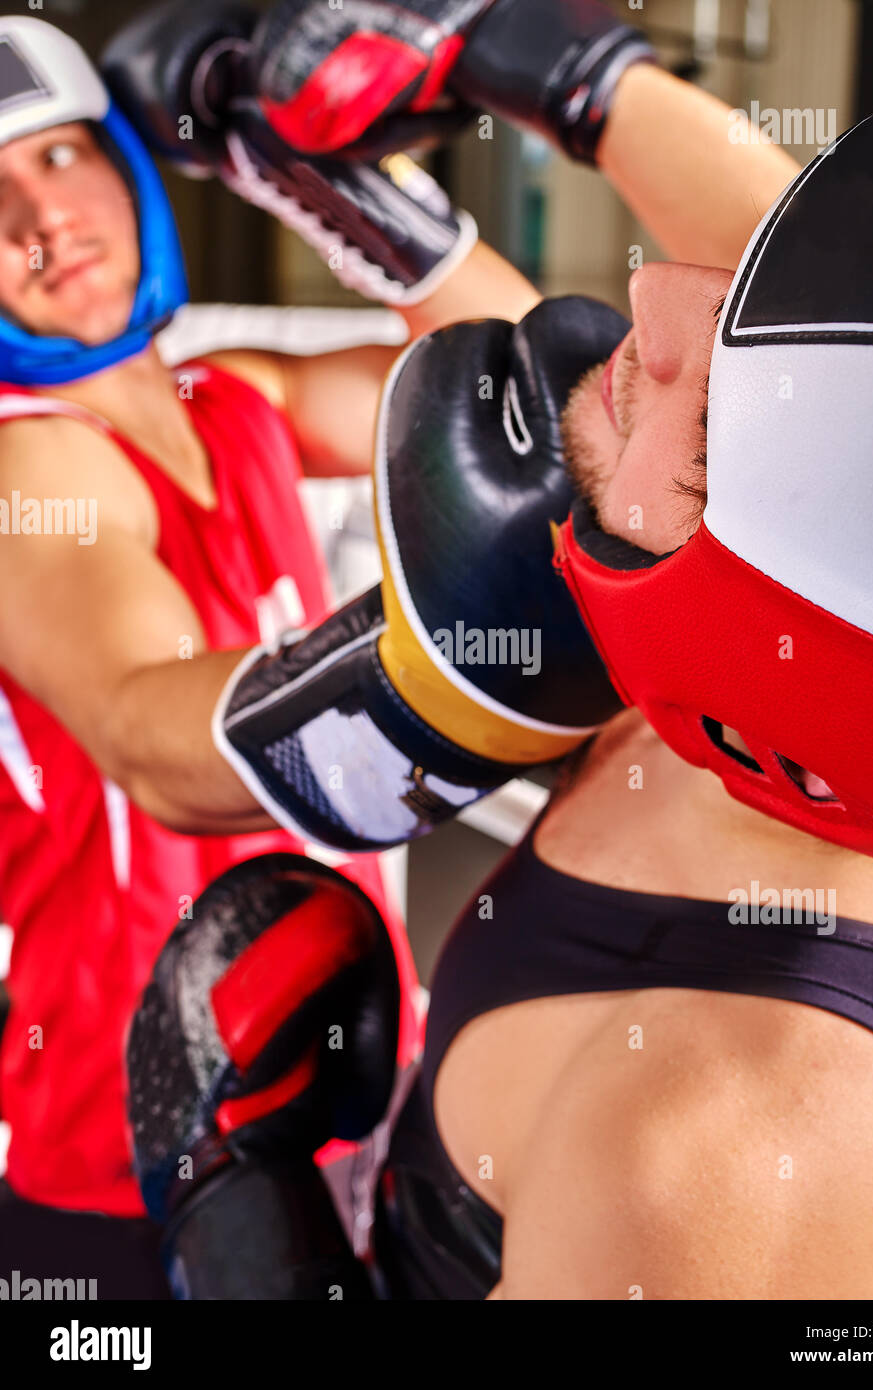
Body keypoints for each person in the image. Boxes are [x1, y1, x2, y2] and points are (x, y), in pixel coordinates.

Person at [119, 0, 873, 1302]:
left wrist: (236, 1235)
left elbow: (145, 738)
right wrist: (554, 67)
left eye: (718, 428)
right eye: (757, 290)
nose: (655, 292)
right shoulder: (827, 660)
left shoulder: (724, 1158)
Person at [0, 10, 539, 1299]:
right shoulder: (28, 466)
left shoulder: (233, 399)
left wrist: (344, 193)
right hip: (128, 1143)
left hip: (338, 1056)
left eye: (62, 157)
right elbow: (147, 733)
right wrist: (460, 693)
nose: (41, 217)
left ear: (130, 170)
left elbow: (526, 388)